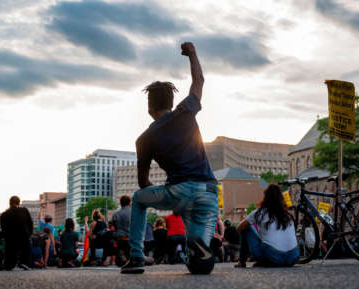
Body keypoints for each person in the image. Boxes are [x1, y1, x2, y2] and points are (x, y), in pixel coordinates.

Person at [121, 42, 218, 275]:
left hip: (178, 191)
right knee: (197, 264)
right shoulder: (186, 110)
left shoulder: (144, 139)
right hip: (208, 191)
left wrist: (168, 197)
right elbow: (199, 81)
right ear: (171, 102)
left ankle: (136, 258)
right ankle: (198, 248)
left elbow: (143, 182)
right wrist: (193, 54)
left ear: (149, 107)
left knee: (139, 198)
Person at [235, 184, 299, 268]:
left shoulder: (259, 213)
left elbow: (239, 228)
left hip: (274, 256)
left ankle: (242, 262)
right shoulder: (288, 215)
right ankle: (267, 261)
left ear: (265, 197)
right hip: (293, 257)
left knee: (246, 228)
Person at [0, 195, 33, 270]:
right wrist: (29, 234)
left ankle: (9, 264)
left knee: (9, 249)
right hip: (23, 236)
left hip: (10, 237)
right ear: (19, 203)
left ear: (10, 203)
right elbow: (30, 223)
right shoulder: (24, 211)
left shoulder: (4, 214)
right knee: (26, 247)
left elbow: (3, 228)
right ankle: (24, 262)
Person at [113, 195, 132, 266]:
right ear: (129, 203)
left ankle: (122, 256)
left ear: (121, 203)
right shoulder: (134, 213)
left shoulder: (116, 214)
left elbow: (115, 228)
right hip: (132, 239)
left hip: (121, 239)